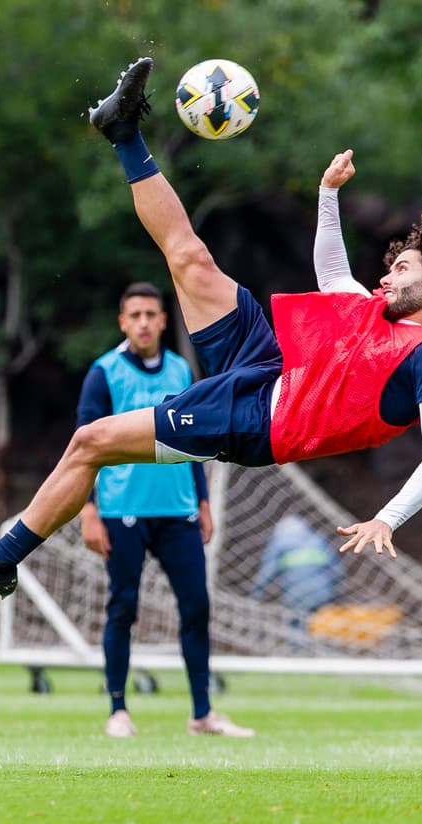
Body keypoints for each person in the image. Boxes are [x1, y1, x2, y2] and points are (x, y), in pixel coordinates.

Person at [0, 57, 422, 600]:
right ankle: (123, 132)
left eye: (400, 270)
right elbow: (334, 273)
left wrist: (388, 518)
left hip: (257, 421)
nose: (385, 279)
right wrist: (327, 194)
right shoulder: (373, 311)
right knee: (189, 256)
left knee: (90, 442)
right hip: (269, 363)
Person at [78, 281, 251, 738]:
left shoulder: (179, 372)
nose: (143, 323)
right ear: (123, 322)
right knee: (123, 607)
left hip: (178, 511)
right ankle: (118, 710)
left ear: (163, 320)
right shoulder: (104, 373)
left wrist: (203, 500)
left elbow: (192, 442)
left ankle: (202, 714)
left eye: (151, 314)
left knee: (196, 605)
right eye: (134, 315)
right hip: (122, 510)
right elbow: (84, 447)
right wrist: (89, 510)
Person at [252, 514, 343, 616]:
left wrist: (256, 593)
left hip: (296, 594)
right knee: (321, 624)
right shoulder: (318, 540)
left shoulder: (279, 542)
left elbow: (267, 571)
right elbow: (337, 570)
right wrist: (336, 592)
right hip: (323, 592)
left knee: (297, 624)